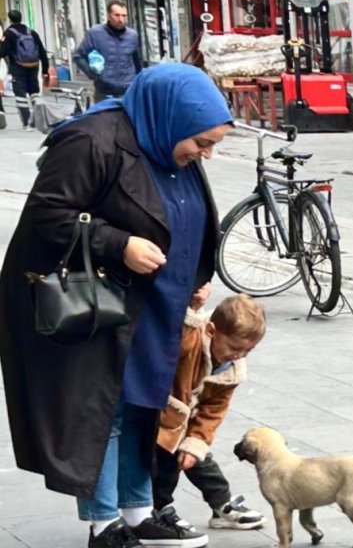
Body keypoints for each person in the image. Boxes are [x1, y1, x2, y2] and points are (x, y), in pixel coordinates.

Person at [0, 63, 234, 547]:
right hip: (98, 304)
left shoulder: (170, 146)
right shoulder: (92, 140)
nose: (206, 154)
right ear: (172, 119)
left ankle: (138, 512)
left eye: (213, 143)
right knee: (105, 410)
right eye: (203, 142)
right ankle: (104, 524)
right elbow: (48, 211)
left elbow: (186, 217)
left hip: (152, 304)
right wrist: (118, 243)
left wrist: (195, 277)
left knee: (143, 407)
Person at [153, 292, 266, 533]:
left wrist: (196, 441)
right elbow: (179, 329)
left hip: (183, 423)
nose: (239, 356)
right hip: (158, 414)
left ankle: (221, 504)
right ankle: (159, 508)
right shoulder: (193, 339)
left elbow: (213, 411)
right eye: (235, 348)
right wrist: (192, 307)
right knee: (164, 464)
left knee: (196, 456)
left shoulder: (230, 371)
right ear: (212, 331)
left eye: (248, 351)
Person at [74, 0, 143, 103]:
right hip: (104, 93)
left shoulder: (132, 35)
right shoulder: (95, 33)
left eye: (124, 16)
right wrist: (92, 74)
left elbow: (137, 62)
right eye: (117, 15)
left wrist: (139, 81)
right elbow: (78, 56)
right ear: (109, 15)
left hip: (128, 92)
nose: (121, 19)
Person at [0, 9, 58, 131]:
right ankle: (40, 120)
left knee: (20, 95)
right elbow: (42, 51)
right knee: (34, 93)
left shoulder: (9, 33)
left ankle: (27, 123)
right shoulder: (31, 32)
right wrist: (45, 70)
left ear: (10, 20)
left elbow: (3, 51)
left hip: (18, 67)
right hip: (34, 66)